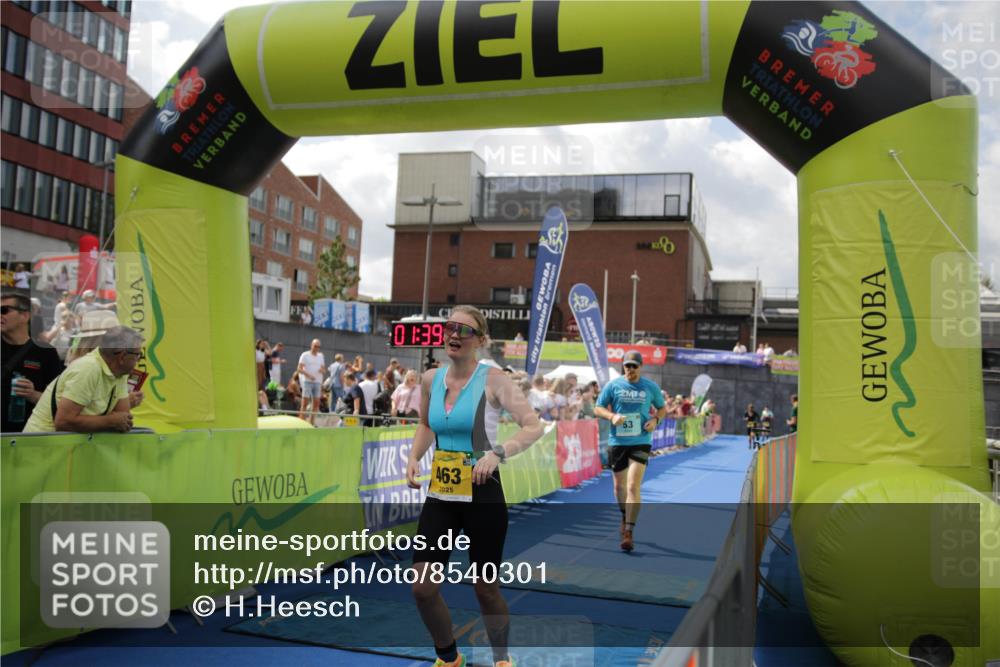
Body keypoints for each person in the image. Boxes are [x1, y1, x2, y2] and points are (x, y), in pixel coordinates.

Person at [405, 305, 542, 667]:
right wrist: (414, 457)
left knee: (485, 589)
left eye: (464, 330)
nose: (454, 334)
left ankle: (501, 659)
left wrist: (497, 452)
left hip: (483, 491)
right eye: (450, 327)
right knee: (422, 588)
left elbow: (533, 426)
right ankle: (448, 657)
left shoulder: (495, 379)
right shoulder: (430, 379)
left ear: (481, 340)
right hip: (441, 494)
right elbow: (425, 424)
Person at [593, 351, 667, 552]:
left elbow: (662, 408)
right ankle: (625, 515)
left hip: (641, 440)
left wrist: (655, 420)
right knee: (619, 488)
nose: (631, 369)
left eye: (634, 366)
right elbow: (597, 408)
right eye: (628, 366)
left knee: (634, 485)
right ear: (623, 366)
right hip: (617, 441)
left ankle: (628, 531)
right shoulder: (613, 385)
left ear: (641, 367)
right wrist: (611, 416)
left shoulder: (650, 387)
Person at [23, 326, 143, 433]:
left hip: (64, 448)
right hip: (41, 448)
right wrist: (109, 421)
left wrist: (112, 420)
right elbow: (64, 422)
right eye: (138, 355)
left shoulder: (119, 372)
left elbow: (123, 418)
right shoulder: (89, 368)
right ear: (122, 357)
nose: (138, 360)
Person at [2, 292, 64, 432]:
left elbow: (60, 402)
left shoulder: (46, 352)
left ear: (25, 316)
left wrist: (33, 395)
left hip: (27, 436)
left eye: (4, 310)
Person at [297, 339, 326, 422]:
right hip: (307, 381)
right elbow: (299, 369)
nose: (317, 348)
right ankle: (301, 422)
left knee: (316, 403)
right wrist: (309, 375)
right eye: (315, 346)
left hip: (318, 382)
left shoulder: (321, 356)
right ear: (311, 345)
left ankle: (311, 422)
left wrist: (322, 370)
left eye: (318, 347)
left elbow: (324, 369)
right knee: (305, 403)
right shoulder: (305, 355)